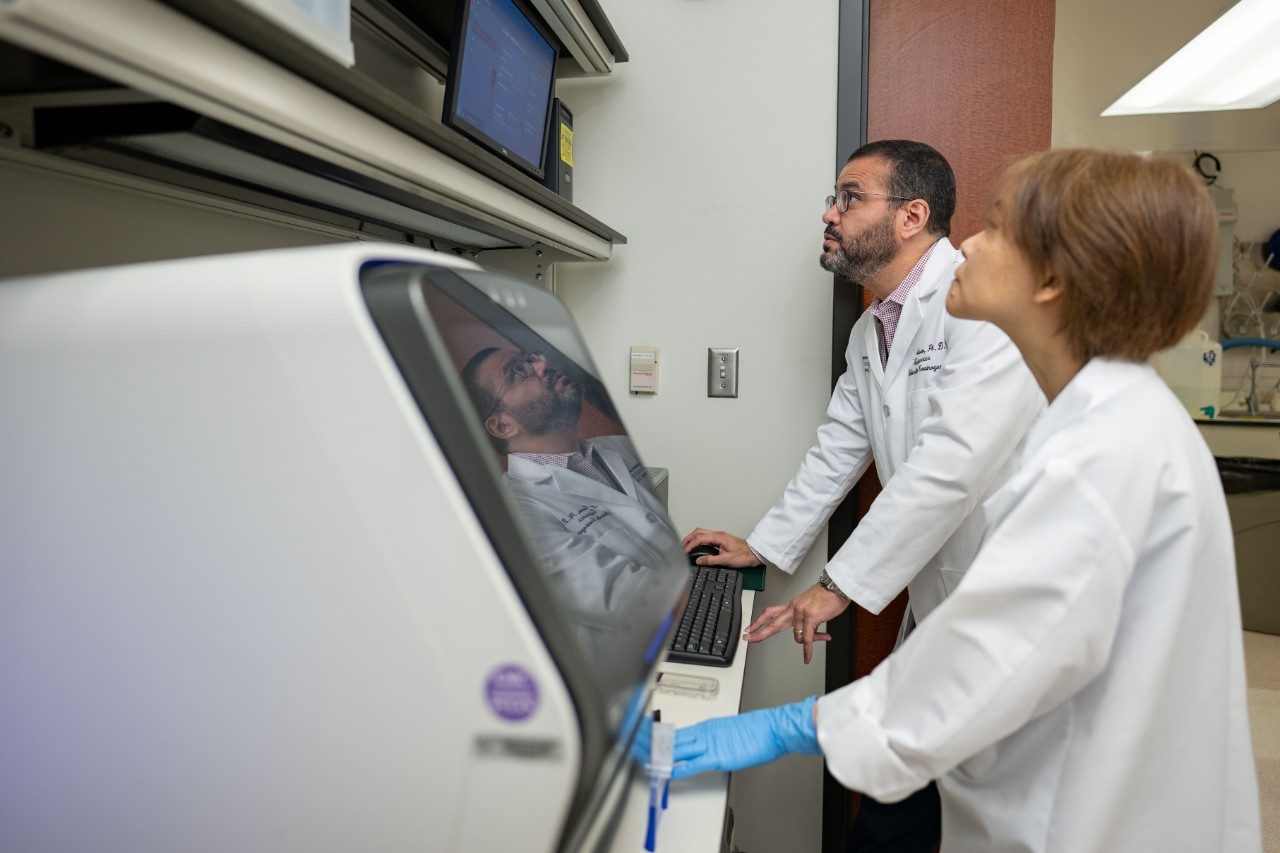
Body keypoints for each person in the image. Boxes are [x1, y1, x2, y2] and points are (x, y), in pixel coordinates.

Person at [658, 149, 1263, 852]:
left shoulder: (1102, 452)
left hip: (1071, 788)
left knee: (902, 811)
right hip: (975, 644)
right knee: (900, 814)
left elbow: (956, 498)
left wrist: (795, 721)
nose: (969, 241)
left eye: (998, 228)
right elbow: (838, 451)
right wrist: (765, 544)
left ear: (1056, 279)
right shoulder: (1112, 415)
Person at [683, 139, 1044, 848]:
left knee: (986, 805)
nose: (829, 212)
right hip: (946, 603)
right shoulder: (871, 329)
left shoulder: (981, 309)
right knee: (902, 796)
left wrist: (837, 585)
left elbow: (951, 466)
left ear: (911, 215)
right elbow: (837, 452)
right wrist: (763, 543)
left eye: (849, 197)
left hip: (1013, 599)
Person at [461, 346, 681, 628]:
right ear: (503, 426)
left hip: (694, 611)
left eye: (530, 357)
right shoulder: (516, 514)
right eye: (518, 371)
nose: (541, 365)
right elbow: (628, 599)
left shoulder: (620, 447)